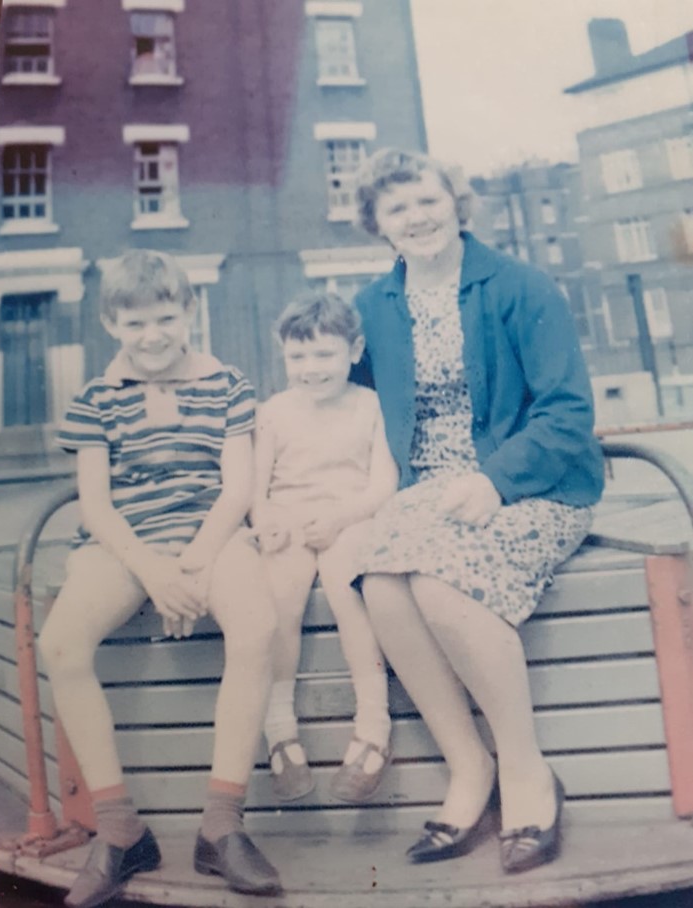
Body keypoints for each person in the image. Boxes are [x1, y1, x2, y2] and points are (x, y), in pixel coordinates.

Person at [351, 149, 605, 874]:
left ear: (455, 201)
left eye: (427, 199)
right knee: (381, 582)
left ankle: (525, 770)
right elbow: (353, 407)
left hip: (533, 483)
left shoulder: (521, 287)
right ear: (378, 225)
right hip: (425, 492)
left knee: (438, 581)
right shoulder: (373, 307)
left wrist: (494, 480)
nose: (417, 216)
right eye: (397, 209)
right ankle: (469, 768)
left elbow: (566, 412)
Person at [38, 249, 282, 906]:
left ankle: (220, 828)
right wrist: (153, 570)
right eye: (135, 323)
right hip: (126, 543)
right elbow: (95, 503)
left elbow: (236, 489)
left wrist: (195, 562)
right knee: (58, 645)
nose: (152, 336)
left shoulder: (227, 384)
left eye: (166, 319)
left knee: (257, 628)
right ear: (110, 323)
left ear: (190, 312)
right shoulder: (96, 398)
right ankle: (121, 833)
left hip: (211, 532)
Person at [253, 293, 399, 803]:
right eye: (298, 357)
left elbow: (382, 484)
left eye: (324, 355)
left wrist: (341, 518)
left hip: (350, 517)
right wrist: (267, 520)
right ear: (282, 354)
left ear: (354, 350)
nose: (311, 369)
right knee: (281, 599)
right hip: (290, 522)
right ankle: (278, 725)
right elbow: (258, 489)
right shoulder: (273, 413)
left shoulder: (371, 407)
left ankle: (374, 724)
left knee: (350, 594)